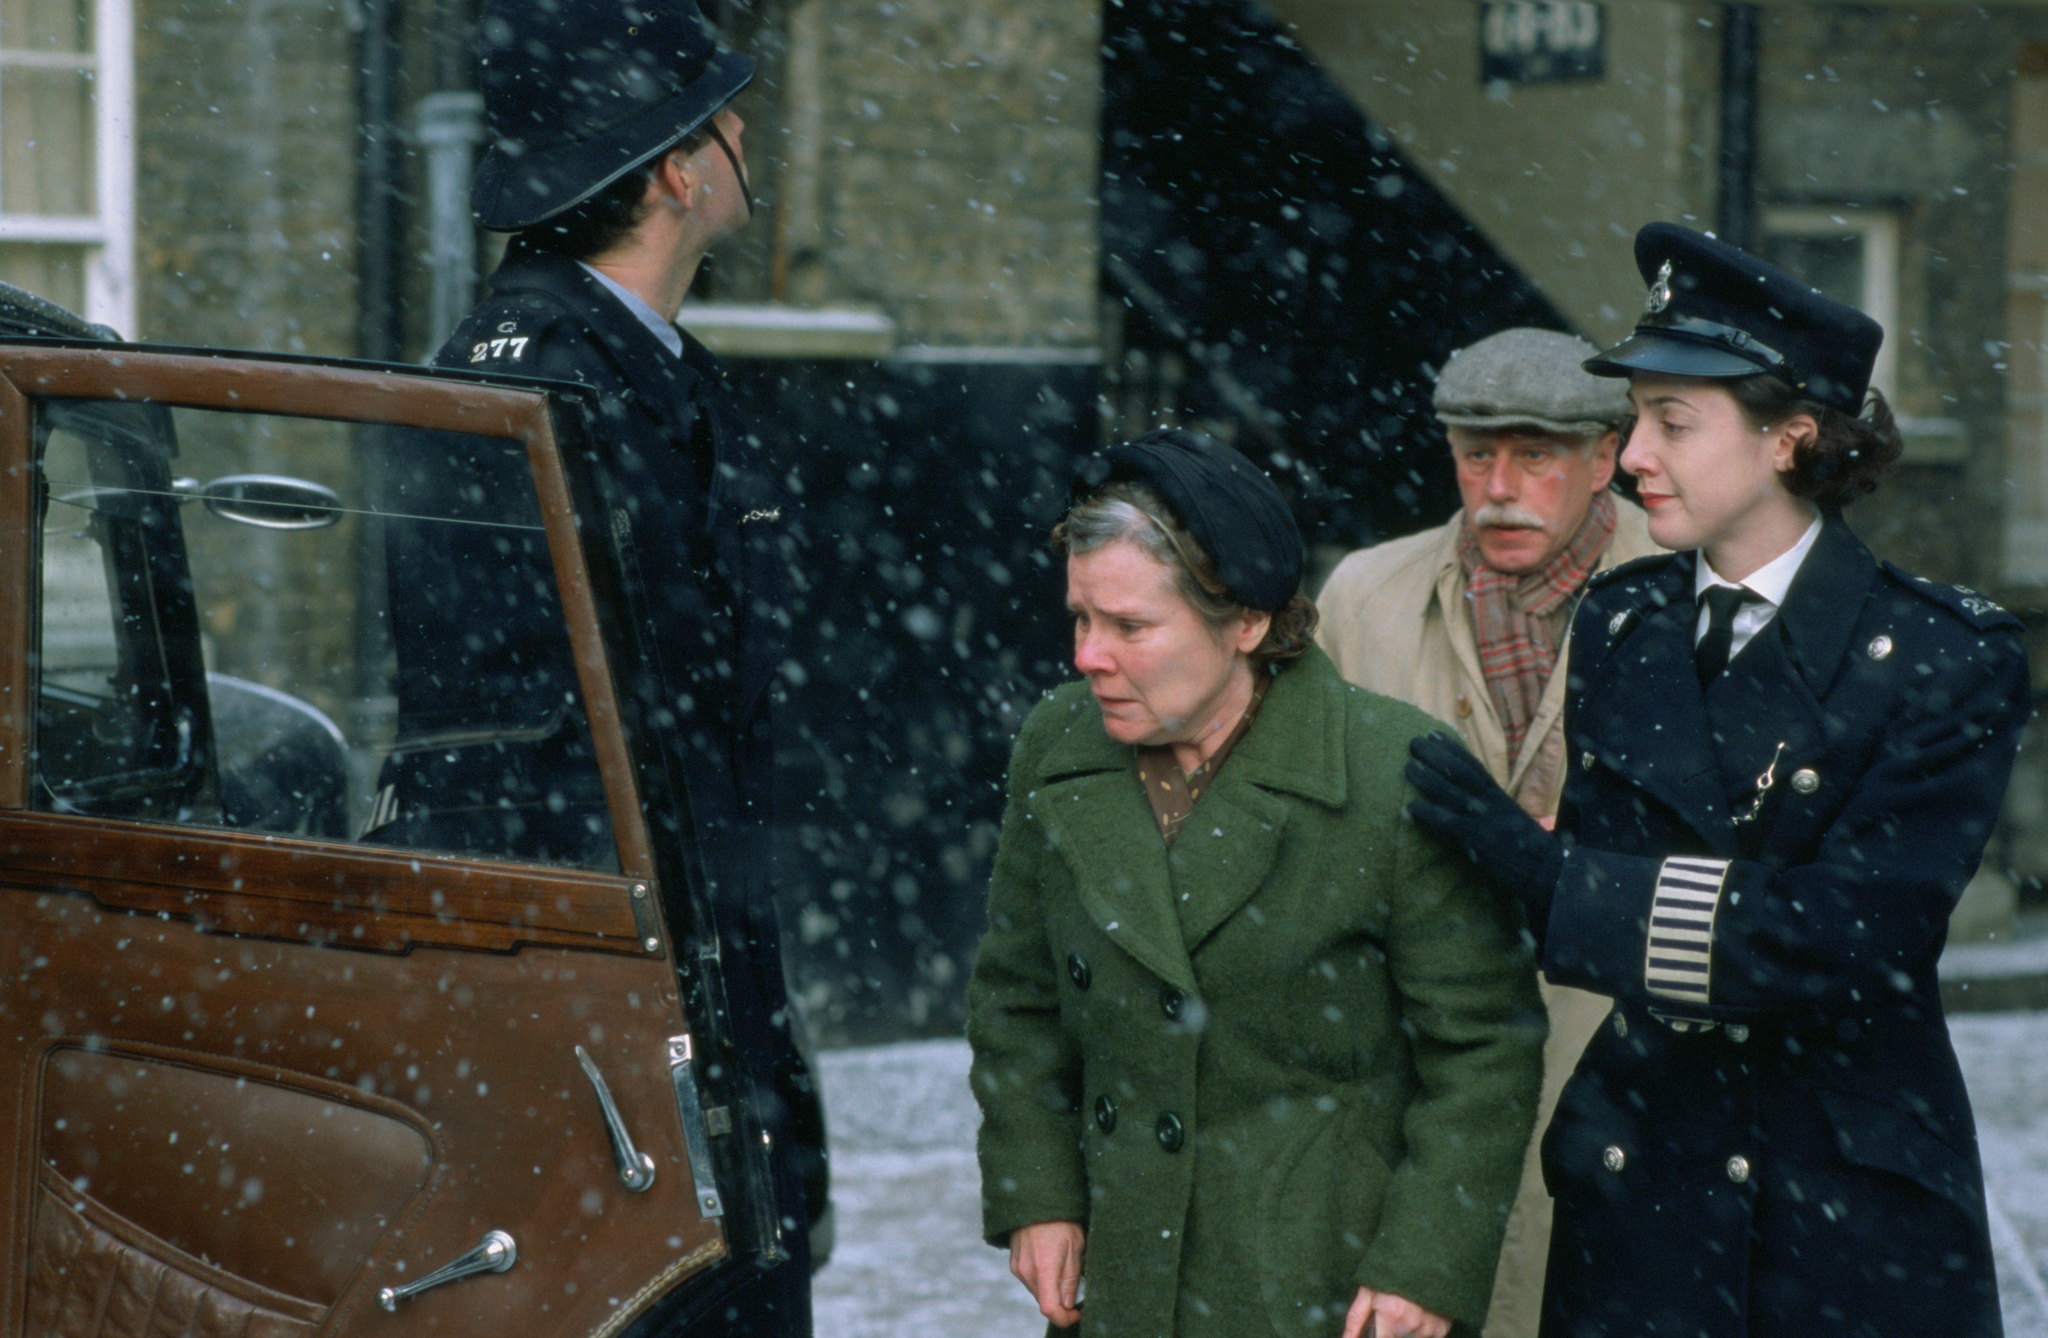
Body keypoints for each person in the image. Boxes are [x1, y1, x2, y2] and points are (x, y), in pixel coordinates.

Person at [1405, 222, 2029, 1338]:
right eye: (1633, 417)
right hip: (1643, 1180)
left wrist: (1548, 877)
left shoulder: (1944, 655)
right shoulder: (1623, 622)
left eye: (1668, 423)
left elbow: (1837, 935)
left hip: (1842, 1214)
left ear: (1789, 438)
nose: (1631, 454)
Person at [967, 428, 1544, 1338]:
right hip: (1124, 1280)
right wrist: (1036, 1190)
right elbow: (1018, 999)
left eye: (1130, 626)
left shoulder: (1393, 768)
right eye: (1080, 618)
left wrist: (1424, 1267)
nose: (1088, 656)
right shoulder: (1058, 743)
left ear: (1245, 622)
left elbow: (1483, 1051)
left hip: (1324, 1282)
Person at [429, 1, 818, 1331]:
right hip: (621, 984)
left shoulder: (611, 364)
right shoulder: (565, 382)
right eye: (727, 116)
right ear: (675, 168)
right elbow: (606, 715)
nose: (746, 137)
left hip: (659, 959)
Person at [1315, 328, 1658, 1337]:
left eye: (1535, 455)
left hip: (1621, 1058)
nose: (1498, 485)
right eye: (1475, 454)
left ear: (1604, 458)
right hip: (1420, 1057)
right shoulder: (1362, 597)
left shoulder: (1690, 588)